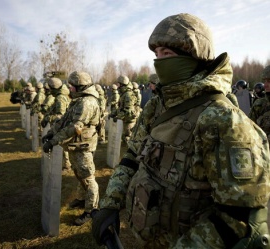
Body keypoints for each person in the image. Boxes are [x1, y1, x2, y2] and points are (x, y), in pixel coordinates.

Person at [92, 13, 270, 248]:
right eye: (156, 54)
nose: (159, 61)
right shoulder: (158, 105)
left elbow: (239, 223)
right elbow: (132, 156)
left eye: (167, 54)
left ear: (195, 56)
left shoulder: (224, 121)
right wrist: (111, 202)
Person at [42, 71, 101, 226]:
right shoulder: (79, 100)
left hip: (84, 146)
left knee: (88, 177)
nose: (69, 87)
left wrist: (54, 141)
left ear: (80, 86)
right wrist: (51, 132)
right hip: (76, 145)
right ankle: (82, 199)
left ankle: (92, 210)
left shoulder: (87, 102)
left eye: (71, 85)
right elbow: (65, 120)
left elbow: (74, 127)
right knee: (79, 173)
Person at [42, 77, 72, 171]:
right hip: (63, 125)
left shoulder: (60, 98)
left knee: (61, 145)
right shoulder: (62, 95)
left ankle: (66, 164)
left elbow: (60, 116)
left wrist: (48, 118)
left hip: (61, 126)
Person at [114, 75, 138, 142]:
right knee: (125, 137)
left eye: (118, 84)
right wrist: (115, 113)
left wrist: (118, 117)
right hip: (126, 119)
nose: (117, 86)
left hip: (129, 121)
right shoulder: (124, 93)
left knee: (128, 138)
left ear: (122, 84)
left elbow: (128, 110)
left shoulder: (128, 95)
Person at [249, 65, 270, 140]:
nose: (265, 85)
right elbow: (249, 128)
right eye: (265, 81)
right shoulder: (259, 104)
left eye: (269, 81)